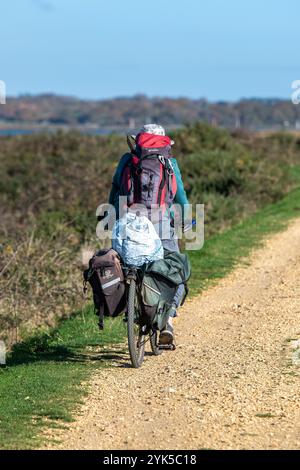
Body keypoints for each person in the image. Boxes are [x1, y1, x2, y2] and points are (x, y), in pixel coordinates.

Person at [108, 124, 190, 345]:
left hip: (128, 222)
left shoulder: (127, 160)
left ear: (138, 141)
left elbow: (116, 190)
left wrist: (111, 218)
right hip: (161, 222)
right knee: (177, 269)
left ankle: (131, 305)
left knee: (125, 266)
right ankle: (169, 318)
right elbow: (179, 195)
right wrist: (188, 220)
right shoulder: (170, 163)